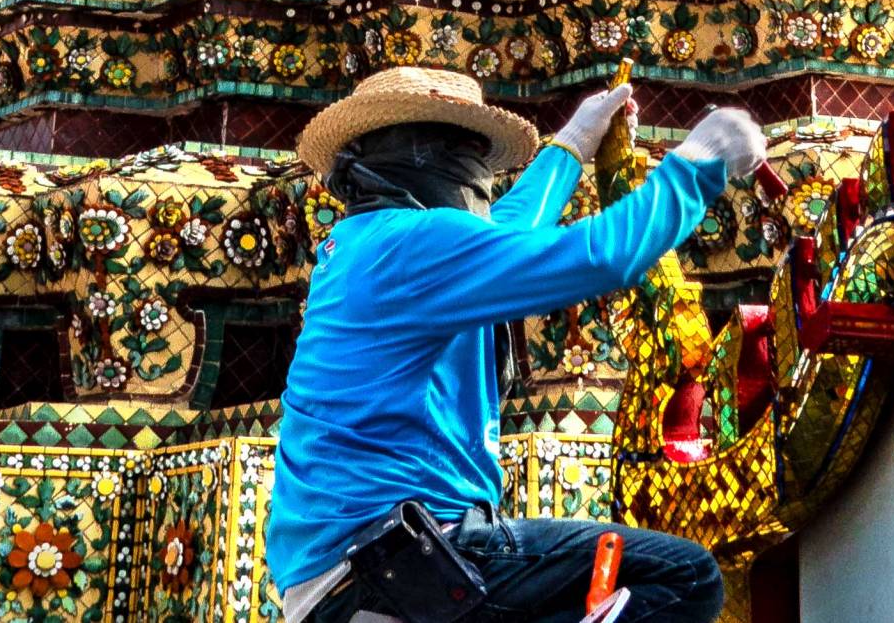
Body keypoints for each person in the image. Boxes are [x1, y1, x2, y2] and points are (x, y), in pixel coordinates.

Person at [268, 65, 766, 623]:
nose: (478, 174)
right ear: (427, 155)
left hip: (344, 576)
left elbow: (507, 234)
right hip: (400, 561)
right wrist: (701, 160)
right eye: (467, 155)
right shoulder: (415, 243)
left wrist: (573, 144)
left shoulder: (362, 245)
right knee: (684, 576)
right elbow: (603, 255)